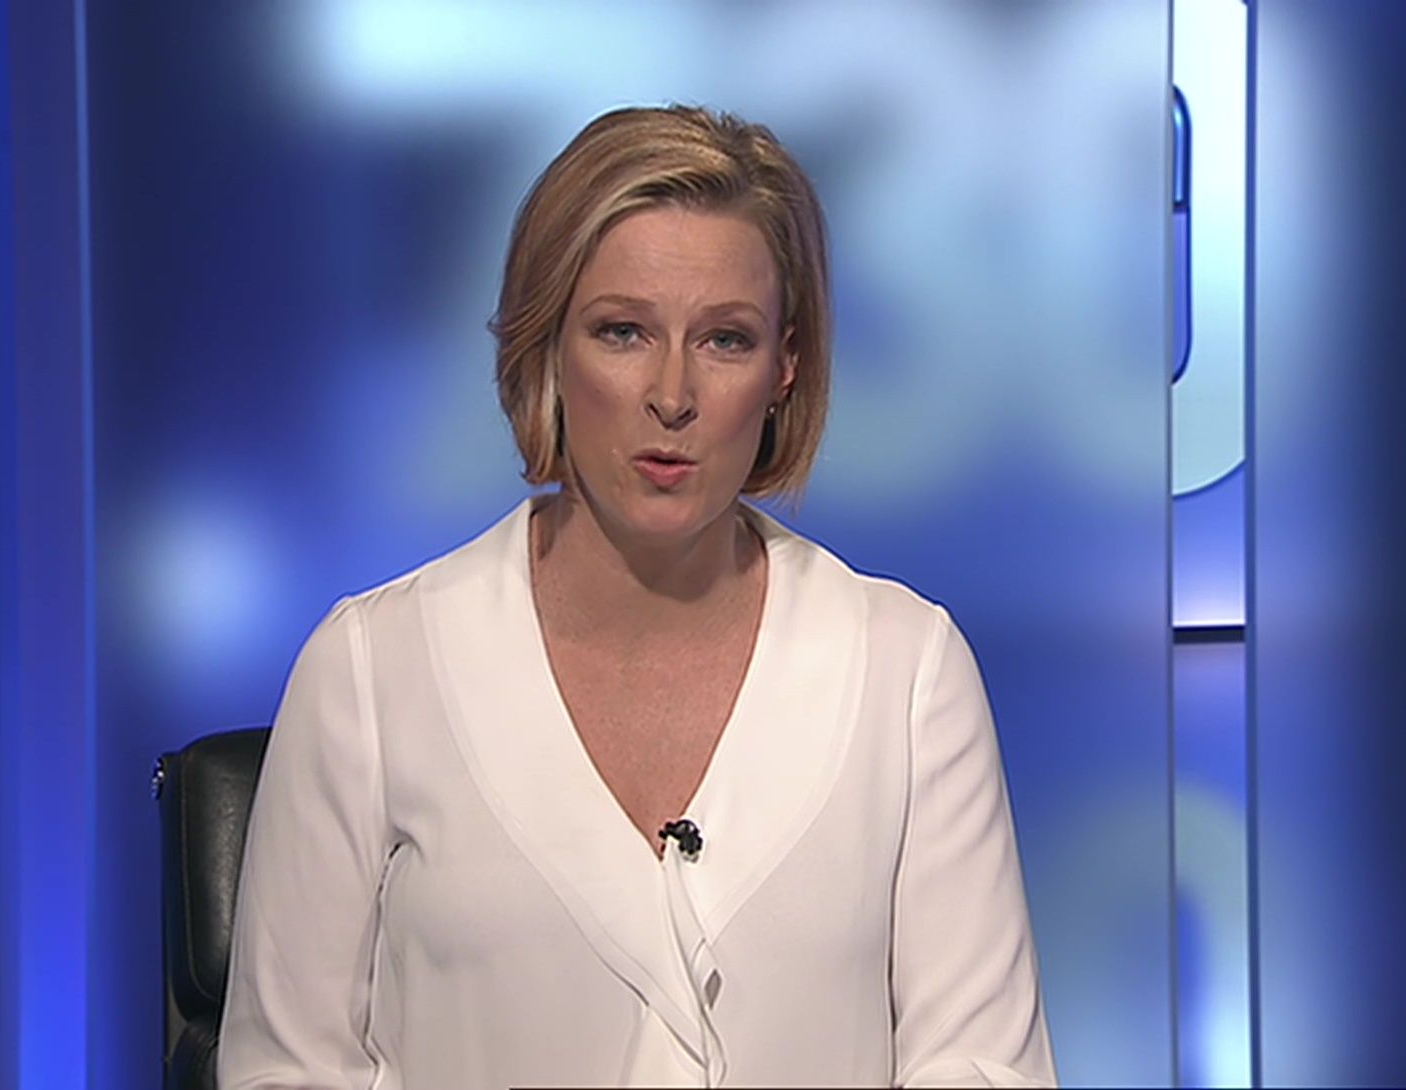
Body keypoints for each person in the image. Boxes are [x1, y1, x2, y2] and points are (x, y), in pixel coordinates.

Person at [217, 103, 1058, 1089]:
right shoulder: (370, 668)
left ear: (785, 368)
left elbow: (982, 1066)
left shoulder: (906, 672)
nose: (672, 394)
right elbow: (285, 1071)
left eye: (726, 340)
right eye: (622, 331)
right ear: (549, 347)